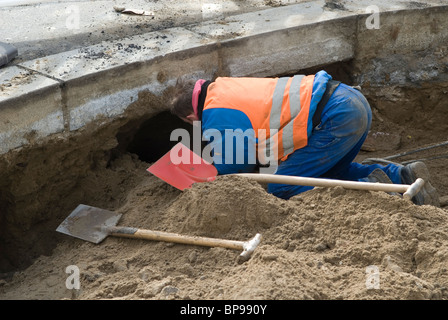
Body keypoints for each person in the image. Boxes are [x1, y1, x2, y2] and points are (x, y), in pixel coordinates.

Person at [168, 70, 439, 206]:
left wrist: (196, 176)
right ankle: (399, 176)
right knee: (330, 171)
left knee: (282, 187)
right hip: (349, 100)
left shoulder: (215, 111)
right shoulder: (226, 87)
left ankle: (370, 188)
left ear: (191, 118)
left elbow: (234, 167)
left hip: (334, 116)